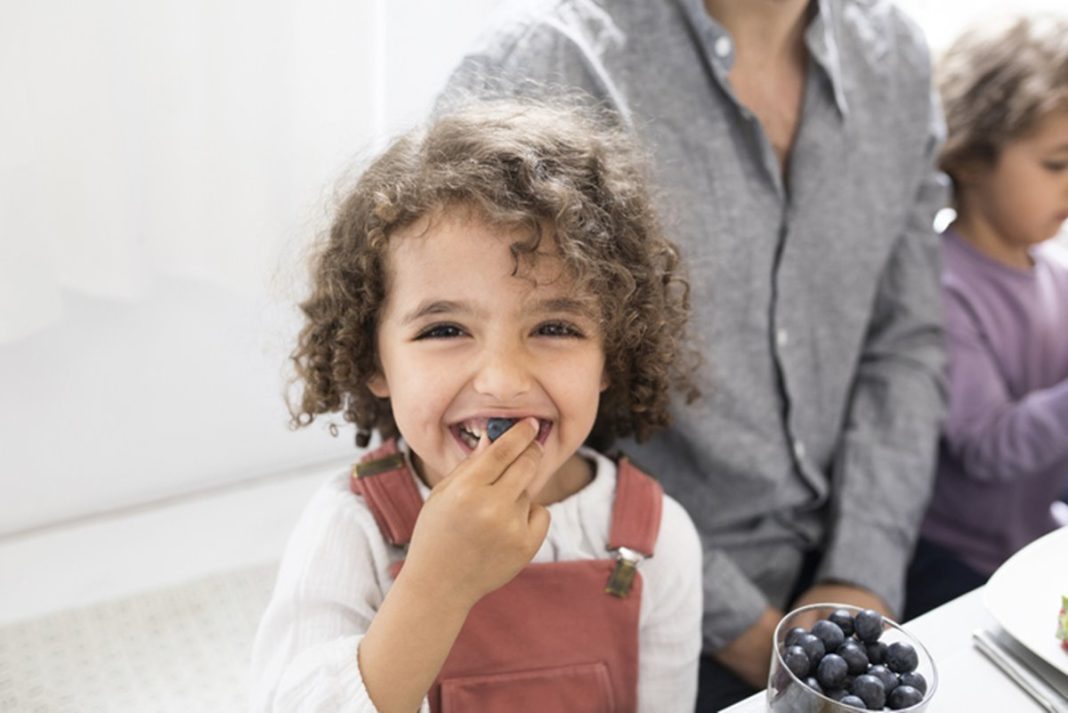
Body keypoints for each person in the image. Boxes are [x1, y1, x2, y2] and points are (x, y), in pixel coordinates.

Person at [439, 0, 948, 708]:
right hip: (628, 587)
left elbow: (904, 342)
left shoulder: (898, 60)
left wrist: (861, 575)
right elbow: (503, 407)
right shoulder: (548, 64)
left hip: (857, 559)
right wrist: (752, 630)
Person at [249, 100, 704, 713]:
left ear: (612, 355)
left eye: (554, 328)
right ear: (373, 361)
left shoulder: (657, 538)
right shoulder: (349, 532)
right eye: (444, 330)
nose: (502, 381)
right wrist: (435, 586)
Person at [905, 14, 1068, 620]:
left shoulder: (1053, 274)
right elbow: (988, 447)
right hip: (955, 563)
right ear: (971, 157)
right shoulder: (944, 285)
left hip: (1033, 537)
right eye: (1056, 165)